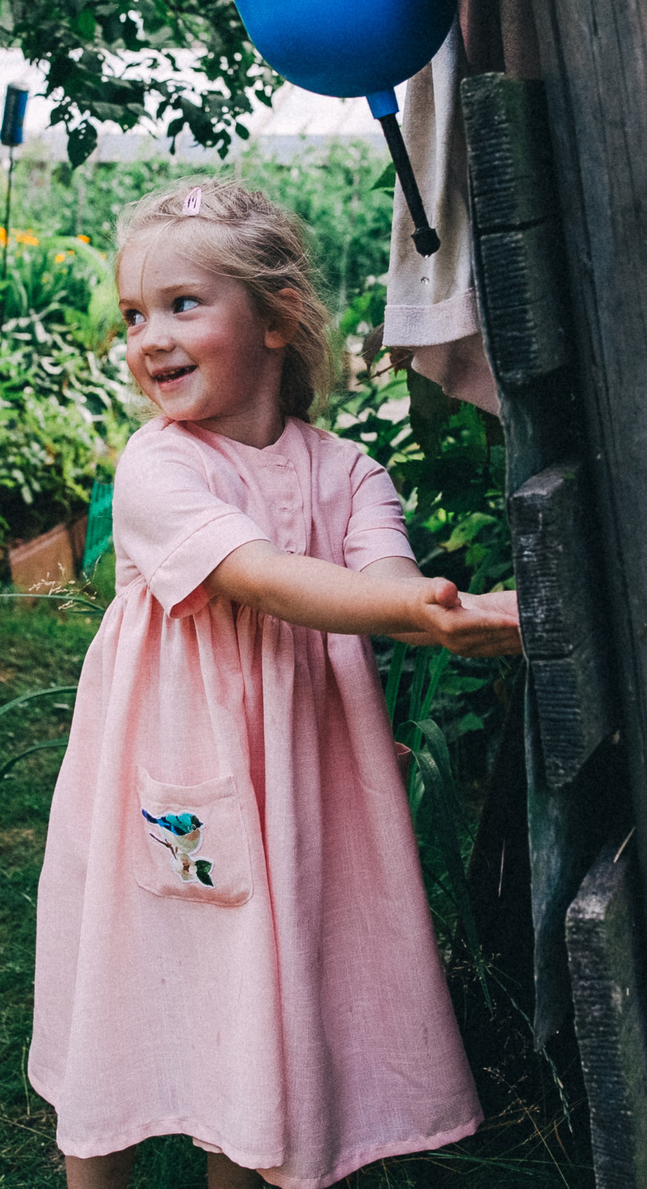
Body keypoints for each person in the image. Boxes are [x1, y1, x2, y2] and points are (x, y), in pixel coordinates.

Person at [31, 179, 523, 1188]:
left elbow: (376, 578)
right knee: (126, 982)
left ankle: (241, 1153)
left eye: (181, 305)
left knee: (253, 997)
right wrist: (432, 614)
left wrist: (428, 604)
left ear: (275, 319)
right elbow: (267, 580)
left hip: (291, 778)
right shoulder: (160, 469)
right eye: (134, 315)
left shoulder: (345, 471)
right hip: (164, 778)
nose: (148, 338)